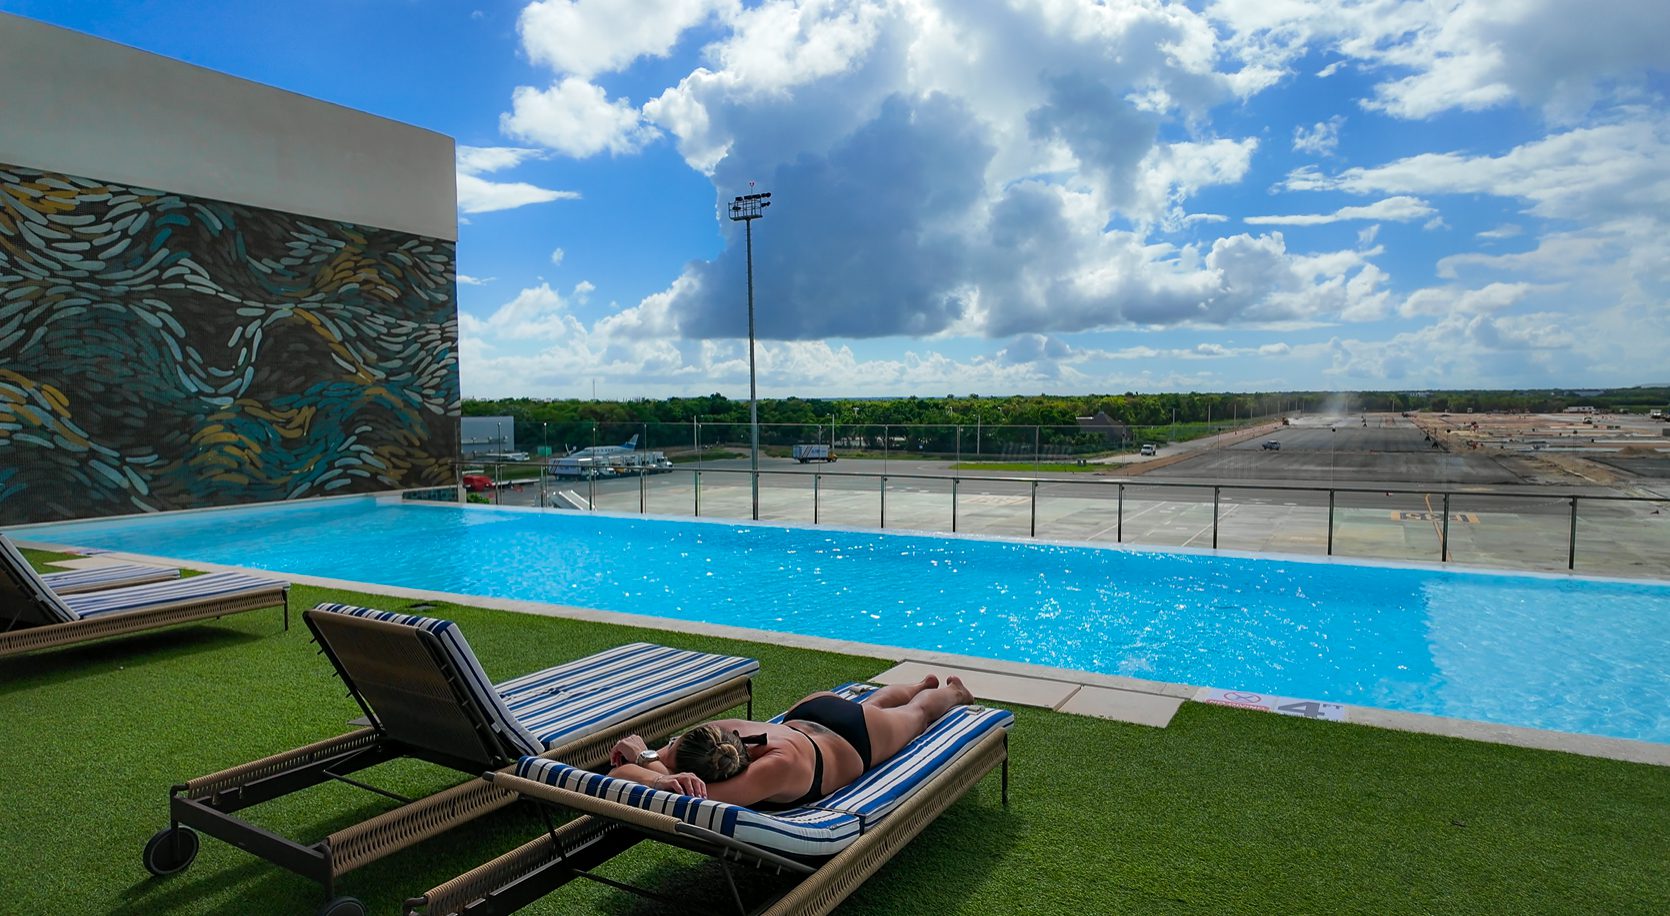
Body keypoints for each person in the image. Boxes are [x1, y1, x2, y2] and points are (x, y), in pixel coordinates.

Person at [606, 675, 974, 807]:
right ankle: (913, 687)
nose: (665, 752)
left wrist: (647, 762)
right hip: (812, 710)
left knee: (917, 717)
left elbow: (625, 780)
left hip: (852, 737)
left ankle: (954, 693)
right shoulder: (722, 733)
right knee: (874, 706)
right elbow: (652, 773)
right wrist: (653, 761)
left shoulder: (768, 772)